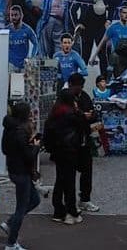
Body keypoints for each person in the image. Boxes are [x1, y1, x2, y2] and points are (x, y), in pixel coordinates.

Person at [1, 102, 42, 250]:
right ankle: (11, 243)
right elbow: (29, 156)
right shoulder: (20, 131)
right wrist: (36, 145)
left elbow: (5, 149)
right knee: (22, 207)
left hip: (14, 169)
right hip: (22, 172)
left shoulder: (9, 128)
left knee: (35, 200)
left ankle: (10, 223)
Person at [43, 90, 87, 225]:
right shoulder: (73, 114)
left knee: (60, 179)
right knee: (70, 181)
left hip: (57, 151)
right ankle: (71, 211)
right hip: (70, 150)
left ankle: (58, 210)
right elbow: (83, 128)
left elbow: (47, 133)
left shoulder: (54, 113)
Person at [61, 74, 101, 212]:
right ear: (71, 85)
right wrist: (82, 116)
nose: (81, 89)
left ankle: (85, 199)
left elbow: (92, 112)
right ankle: (69, 203)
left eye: (82, 86)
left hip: (84, 140)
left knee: (87, 171)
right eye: (79, 86)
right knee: (68, 174)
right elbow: (65, 118)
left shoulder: (84, 96)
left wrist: (91, 115)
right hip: (70, 142)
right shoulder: (65, 98)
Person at [6, 6, 38, 71]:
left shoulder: (27, 30)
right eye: (11, 15)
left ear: (21, 16)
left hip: (24, 64)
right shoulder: (6, 30)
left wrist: (32, 57)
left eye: (16, 15)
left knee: (23, 80)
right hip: (11, 64)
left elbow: (36, 43)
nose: (13, 17)